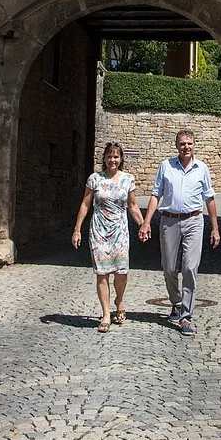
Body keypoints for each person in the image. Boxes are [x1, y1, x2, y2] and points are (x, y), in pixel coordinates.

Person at [138, 129, 220, 337]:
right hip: (169, 221)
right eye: (182, 143)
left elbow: (209, 198)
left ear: (194, 145)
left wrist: (215, 228)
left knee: (190, 267)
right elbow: (156, 194)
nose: (186, 147)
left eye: (189, 143)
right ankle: (175, 302)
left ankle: (186, 316)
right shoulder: (166, 166)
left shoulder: (202, 168)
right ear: (177, 146)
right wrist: (146, 222)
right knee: (169, 267)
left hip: (194, 220)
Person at [72, 142, 145, 333]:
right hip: (99, 232)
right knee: (102, 273)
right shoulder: (94, 179)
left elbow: (133, 205)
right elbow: (85, 205)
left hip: (120, 231)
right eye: (109, 156)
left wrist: (143, 224)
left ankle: (119, 300)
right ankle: (105, 314)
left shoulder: (128, 179)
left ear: (121, 159)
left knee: (121, 273)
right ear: (104, 158)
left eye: (116, 157)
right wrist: (77, 229)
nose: (113, 160)